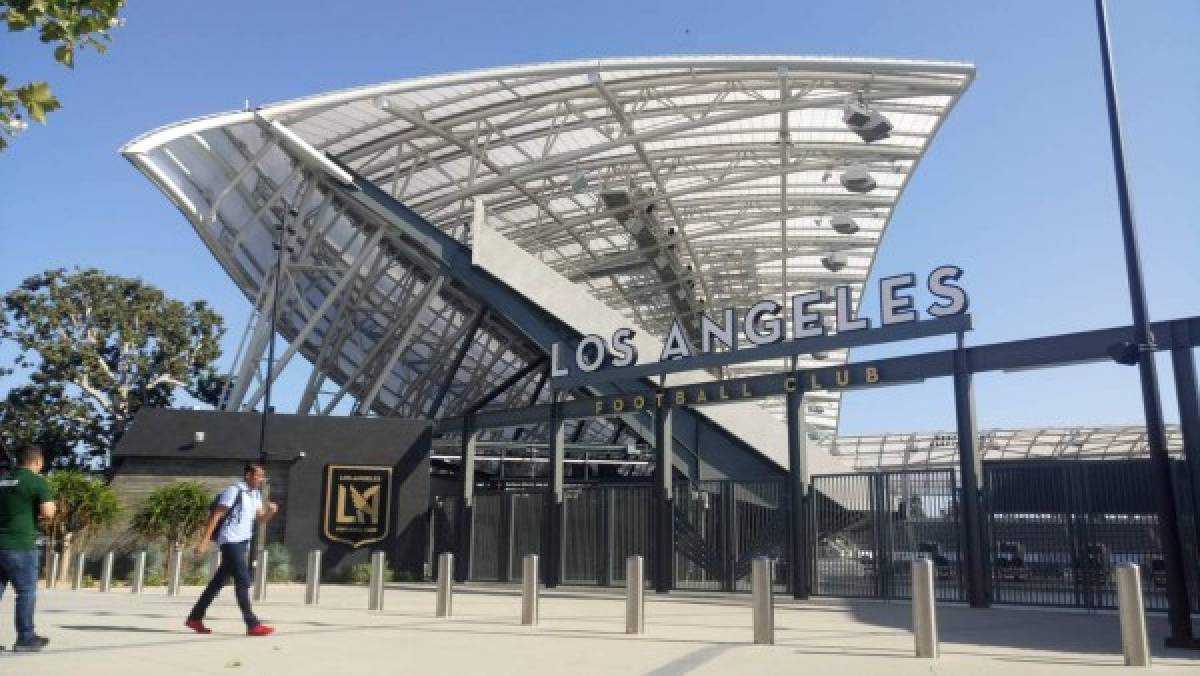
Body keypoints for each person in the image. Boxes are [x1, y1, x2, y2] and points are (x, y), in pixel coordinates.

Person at [186, 462, 277, 636]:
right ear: (248, 476)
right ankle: (252, 624)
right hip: (229, 540)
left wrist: (270, 512)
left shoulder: (256, 494)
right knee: (243, 580)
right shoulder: (234, 491)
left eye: (263, 476)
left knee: (218, 582)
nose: (261, 479)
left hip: (242, 541)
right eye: (258, 476)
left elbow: (261, 519)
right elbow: (216, 515)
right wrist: (204, 541)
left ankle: (195, 618)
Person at [0, 445, 56, 652]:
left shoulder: (3, 479)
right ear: (38, 461)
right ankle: (25, 637)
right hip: (20, 545)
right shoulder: (36, 481)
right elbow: (48, 512)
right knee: (25, 592)